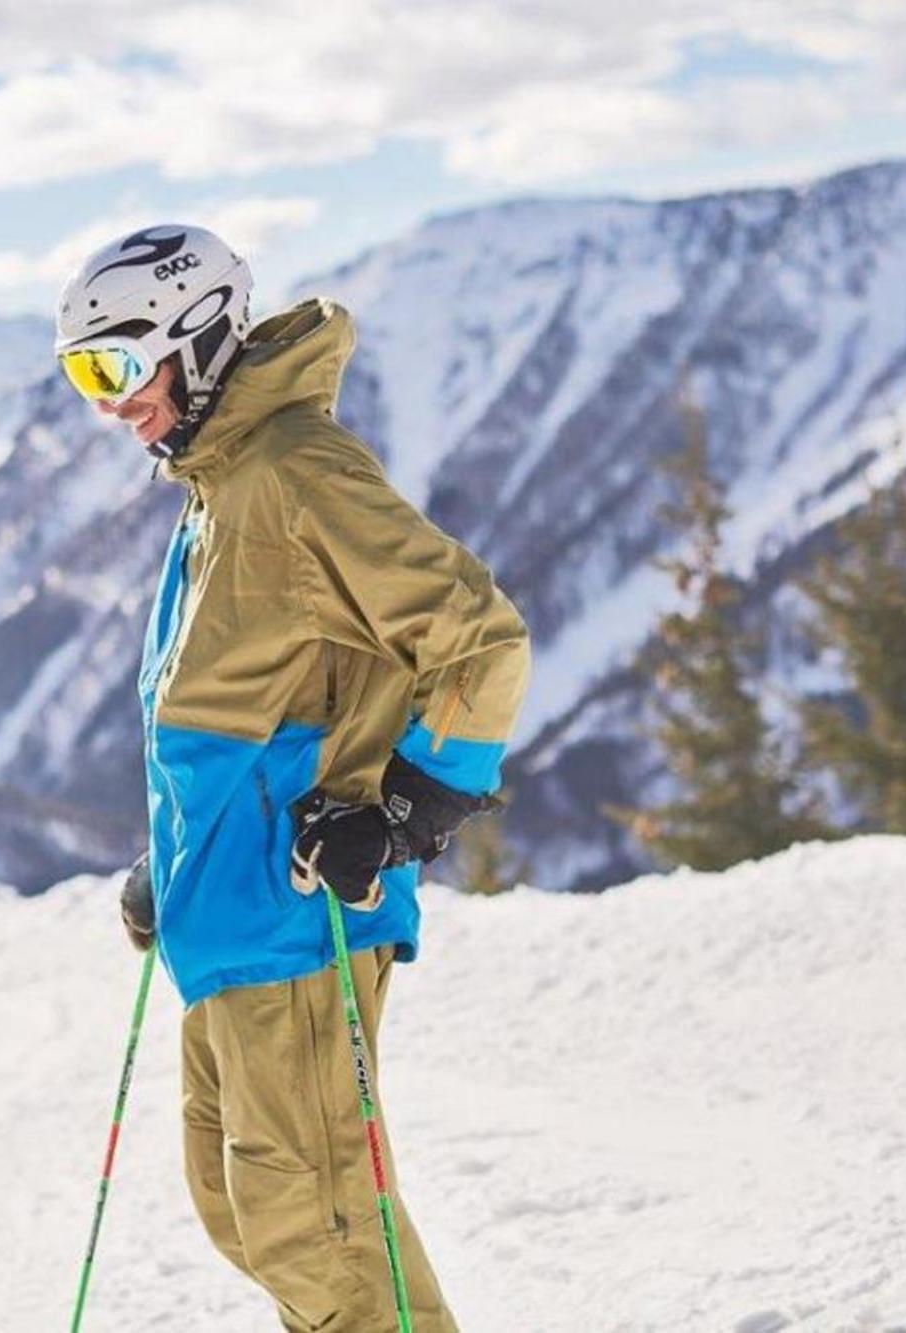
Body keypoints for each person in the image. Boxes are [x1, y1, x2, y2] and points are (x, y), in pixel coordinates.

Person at [57, 224, 531, 1331]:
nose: (110, 402)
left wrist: (406, 810)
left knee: (315, 1227)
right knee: (246, 1210)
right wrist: (171, 858)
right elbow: (241, 715)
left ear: (200, 340)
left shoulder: (295, 474)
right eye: (86, 375)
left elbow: (480, 644)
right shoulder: (218, 487)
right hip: (225, 914)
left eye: (119, 366)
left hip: (298, 913)